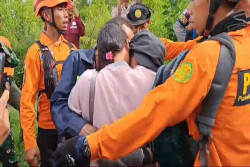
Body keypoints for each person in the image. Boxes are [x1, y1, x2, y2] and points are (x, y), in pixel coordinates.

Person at [53, 0, 250, 166]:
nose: (189, 9)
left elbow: (153, 115)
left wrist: (89, 145)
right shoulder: (241, 47)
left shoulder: (207, 56)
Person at [68, 24, 165, 166]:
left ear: (99, 51)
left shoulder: (88, 80)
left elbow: (71, 109)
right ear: (127, 44)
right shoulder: (151, 78)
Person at [51, 16, 133, 145]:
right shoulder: (77, 60)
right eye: (126, 42)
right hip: (76, 144)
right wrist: (79, 126)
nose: (129, 47)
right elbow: (58, 103)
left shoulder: (130, 68)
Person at [20, 0, 75, 166]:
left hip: (72, 129)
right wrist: (30, 143)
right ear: (46, 15)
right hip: (48, 134)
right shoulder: (35, 53)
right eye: (60, 9)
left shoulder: (72, 49)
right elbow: (27, 101)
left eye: (65, 10)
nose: (66, 15)